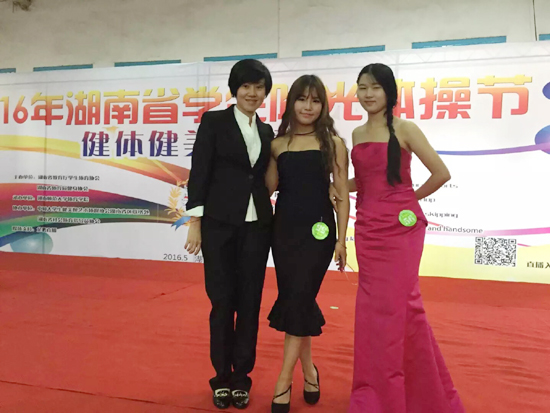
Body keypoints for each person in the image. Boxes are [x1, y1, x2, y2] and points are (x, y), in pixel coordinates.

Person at [343, 63, 465, 412]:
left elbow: (441, 173)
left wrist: (407, 201)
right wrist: (332, 187)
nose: (368, 94)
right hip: (367, 229)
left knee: (398, 307)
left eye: (375, 87)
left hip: (400, 231)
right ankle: (379, 392)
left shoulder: (405, 128)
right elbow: (365, 181)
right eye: (362, 87)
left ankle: (411, 393)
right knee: (373, 312)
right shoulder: (357, 134)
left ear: (389, 92)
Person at [184, 59, 274, 410]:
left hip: (257, 226)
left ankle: (242, 379)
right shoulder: (214, 122)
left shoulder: (266, 131)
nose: (252, 93)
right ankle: (221, 378)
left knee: (250, 303)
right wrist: (195, 222)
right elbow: (199, 171)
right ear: (235, 90)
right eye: (245, 86)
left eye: (258, 87)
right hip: (219, 225)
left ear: (265, 92)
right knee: (222, 302)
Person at [265, 74, 350, 413]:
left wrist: (342, 240)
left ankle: (283, 380)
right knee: (297, 300)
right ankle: (310, 372)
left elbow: (342, 195)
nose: (308, 106)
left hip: (319, 233)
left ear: (323, 106)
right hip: (283, 232)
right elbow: (268, 188)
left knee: (299, 296)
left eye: (315, 101)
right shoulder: (277, 144)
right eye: (302, 99)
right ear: (291, 103)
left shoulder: (333, 143)